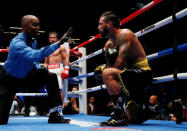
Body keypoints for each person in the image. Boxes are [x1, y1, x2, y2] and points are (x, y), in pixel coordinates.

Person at [0, 15, 72, 124]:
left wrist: (40, 70)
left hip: (26, 75)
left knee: (50, 76)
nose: (38, 27)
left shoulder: (33, 41)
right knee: (1, 120)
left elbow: (32, 61)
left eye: (38, 25)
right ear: (24, 26)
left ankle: (54, 115)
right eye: (34, 24)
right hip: (9, 78)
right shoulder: (17, 43)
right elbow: (35, 55)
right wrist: (58, 43)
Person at [95, 11, 153, 126]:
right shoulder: (108, 44)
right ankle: (152, 109)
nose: (98, 28)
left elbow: (118, 65)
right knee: (135, 119)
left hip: (142, 73)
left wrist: (105, 70)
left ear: (109, 24)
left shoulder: (125, 34)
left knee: (106, 73)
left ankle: (118, 114)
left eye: (101, 24)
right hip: (127, 75)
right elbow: (112, 68)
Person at [44, 31, 70, 116]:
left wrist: (66, 69)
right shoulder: (47, 49)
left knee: (59, 90)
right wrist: (45, 69)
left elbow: (66, 58)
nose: (52, 39)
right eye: (50, 37)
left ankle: (59, 109)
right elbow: (46, 62)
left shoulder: (61, 48)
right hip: (50, 70)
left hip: (58, 69)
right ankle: (52, 110)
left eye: (54, 37)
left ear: (57, 39)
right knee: (50, 91)